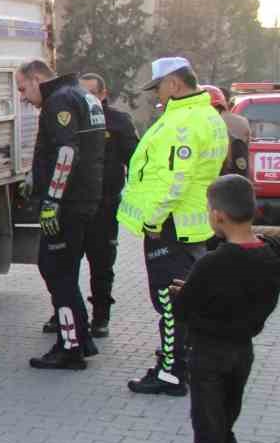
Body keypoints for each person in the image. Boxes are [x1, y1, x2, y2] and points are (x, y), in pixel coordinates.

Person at [171, 174, 278, 443]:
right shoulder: (268, 257)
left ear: (217, 216)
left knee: (208, 433)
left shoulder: (211, 263)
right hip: (242, 354)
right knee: (223, 427)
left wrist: (180, 294)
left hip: (207, 357)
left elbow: (185, 310)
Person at [118, 57, 228, 395]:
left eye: (159, 88)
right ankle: (183, 360)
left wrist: (153, 220)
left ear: (175, 84)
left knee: (168, 302)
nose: (157, 96)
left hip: (169, 226)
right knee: (184, 299)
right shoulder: (209, 116)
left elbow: (174, 180)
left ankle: (171, 372)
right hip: (192, 225)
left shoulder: (183, 123)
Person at [18, 61, 107, 370]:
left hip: (68, 203)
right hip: (85, 198)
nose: (23, 97)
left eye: (23, 88)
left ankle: (70, 347)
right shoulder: (82, 94)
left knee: (57, 271)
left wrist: (51, 200)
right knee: (63, 270)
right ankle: (80, 338)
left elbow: (67, 152)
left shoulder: (60, 101)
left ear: (36, 79)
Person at [44, 73, 138, 338]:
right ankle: (63, 313)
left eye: (91, 94)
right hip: (73, 204)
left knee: (102, 262)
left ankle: (100, 318)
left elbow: (135, 161)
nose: (85, 99)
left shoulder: (119, 122)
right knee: (65, 263)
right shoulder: (69, 118)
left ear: (103, 94)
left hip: (105, 206)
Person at [204, 86, 252, 178]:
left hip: (216, 175)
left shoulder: (208, 122)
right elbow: (246, 146)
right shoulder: (242, 121)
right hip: (238, 174)